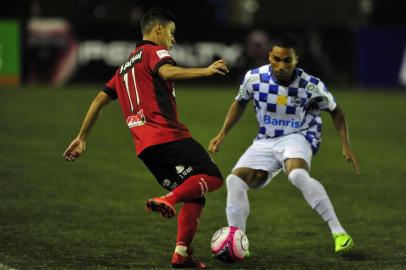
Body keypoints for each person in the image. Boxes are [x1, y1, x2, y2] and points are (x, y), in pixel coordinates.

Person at [63, 7, 229, 269]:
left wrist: (82, 137)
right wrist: (205, 71)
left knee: (196, 193)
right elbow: (166, 73)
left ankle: (181, 254)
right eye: (172, 32)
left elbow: (98, 100)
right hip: (168, 135)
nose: (173, 39)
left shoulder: (123, 69)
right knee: (214, 176)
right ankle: (168, 199)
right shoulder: (155, 51)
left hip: (145, 148)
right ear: (158, 29)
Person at [208, 35, 360, 255]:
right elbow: (240, 102)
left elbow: (335, 111)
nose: (281, 66)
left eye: (287, 60)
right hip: (266, 139)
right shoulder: (254, 78)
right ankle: (237, 241)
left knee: (297, 175)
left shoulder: (311, 85)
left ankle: (339, 233)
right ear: (269, 56)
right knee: (234, 181)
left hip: (299, 135)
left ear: (296, 59)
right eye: (276, 59)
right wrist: (222, 133)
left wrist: (345, 145)